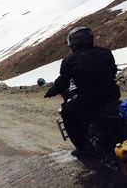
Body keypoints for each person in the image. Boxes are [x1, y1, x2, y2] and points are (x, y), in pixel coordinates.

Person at [44, 26, 120, 157]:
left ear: (72, 43)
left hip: (89, 101)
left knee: (67, 113)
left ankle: (83, 148)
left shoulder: (69, 61)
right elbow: (112, 71)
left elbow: (63, 83)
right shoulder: (105, 52)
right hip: (112, 95)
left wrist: (51, 91)